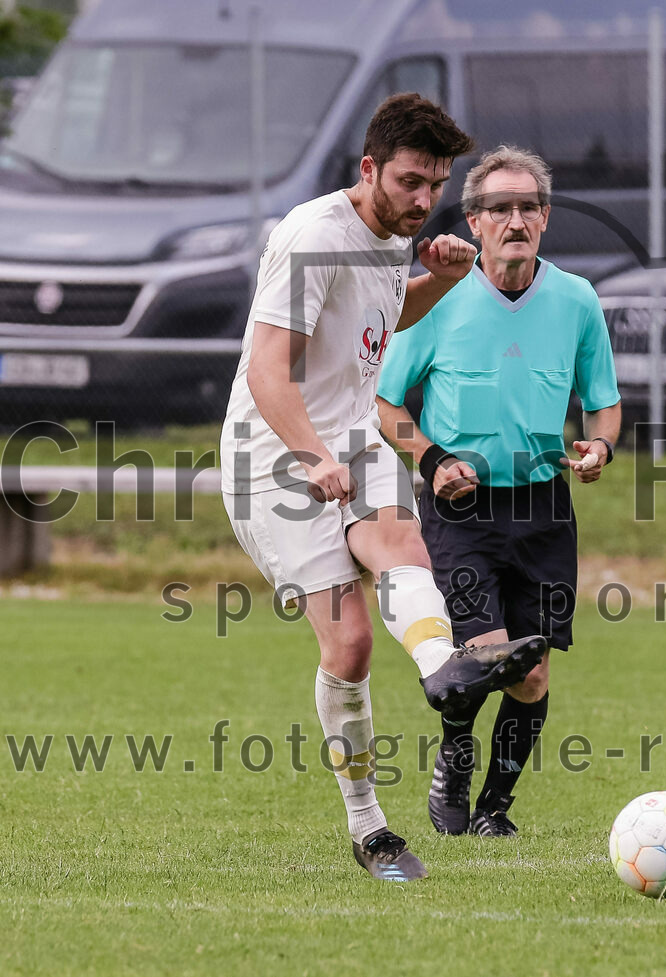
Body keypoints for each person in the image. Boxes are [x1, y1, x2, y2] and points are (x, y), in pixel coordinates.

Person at [219, 98, 547, 882]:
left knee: (403, 543)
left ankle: (443, 670)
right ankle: (369, 829)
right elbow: (269, 369)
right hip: (272, 454)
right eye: (408, 182)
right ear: (368, 169)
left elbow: (380, 316)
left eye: (433, 185)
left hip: (351, 435)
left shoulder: (388, 238)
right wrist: (311, 456)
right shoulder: (314, 236)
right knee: (352, 644)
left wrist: (433, 280)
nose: (421, 200)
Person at [376, 145, 621, 837]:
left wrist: (600, 444)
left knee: (532, 677)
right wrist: (430, 459)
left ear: (544, 218)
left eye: (526, 207)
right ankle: (455, 747)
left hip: (544, 508)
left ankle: (494, 812)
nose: (514, 218)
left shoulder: (576, 300)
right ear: (475, 222)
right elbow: (388, 401)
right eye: (498, 207)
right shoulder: (441, 299)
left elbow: (604, 404)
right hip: (460, 508)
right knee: (486, 655)